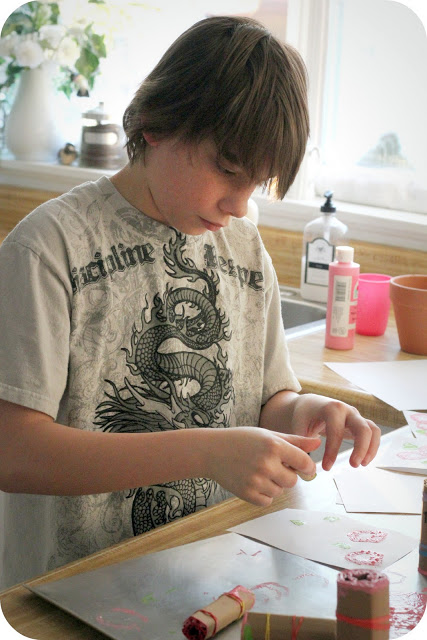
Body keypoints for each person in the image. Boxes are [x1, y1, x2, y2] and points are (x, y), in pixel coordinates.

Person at [0, 15, 380, 589]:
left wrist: (304, 417)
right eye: (227, 170)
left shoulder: (244, 247)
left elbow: (267, 397)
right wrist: (205, 453)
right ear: (156, 123)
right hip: (74, 588)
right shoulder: (50, 248)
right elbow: (14, 452)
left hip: (218, 572)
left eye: (255, 183)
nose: (237, 203)